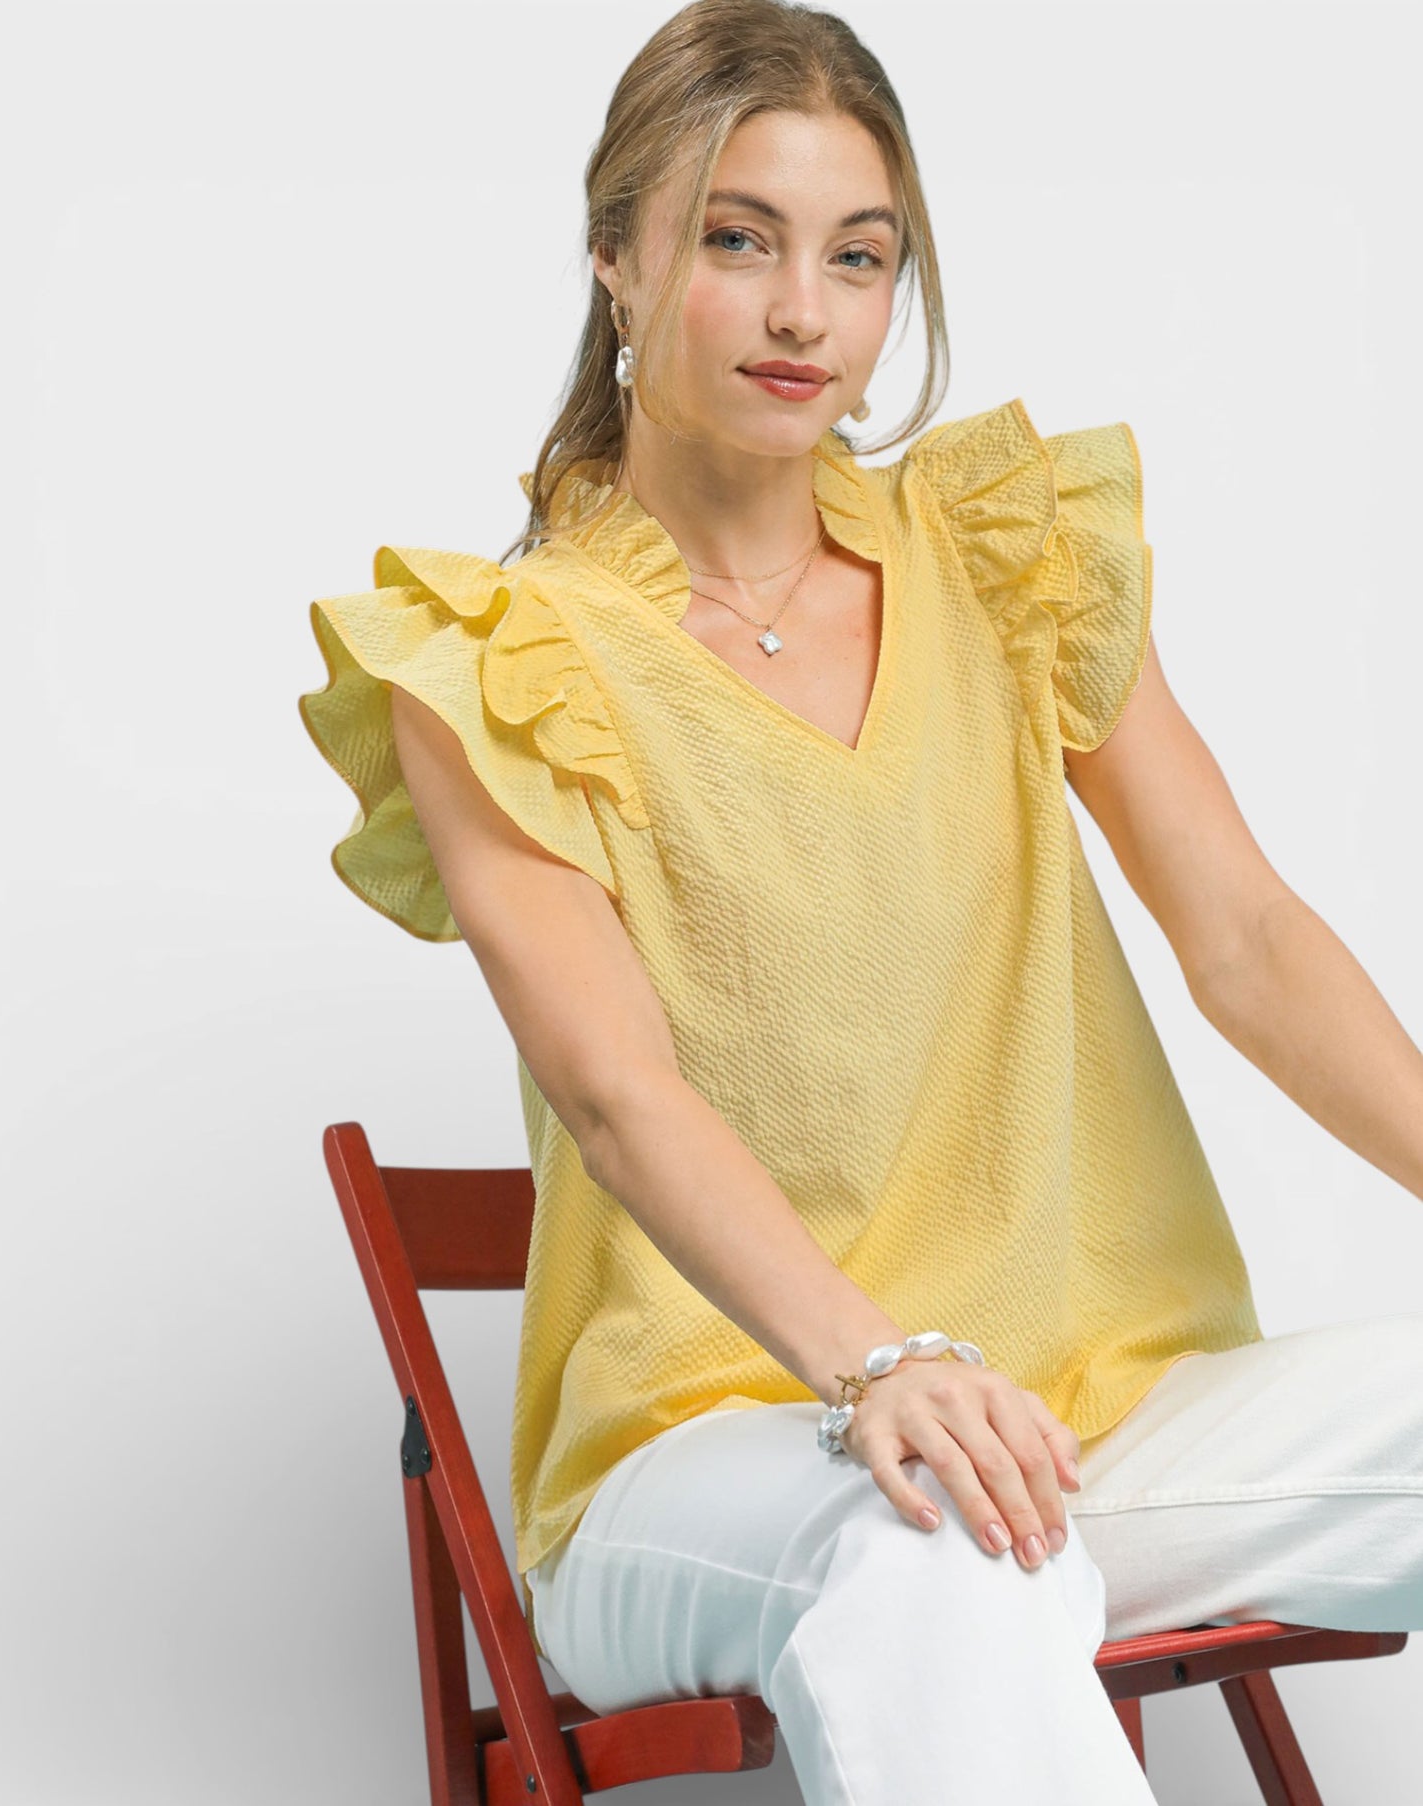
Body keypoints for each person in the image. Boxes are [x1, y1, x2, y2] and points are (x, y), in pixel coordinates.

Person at [297, 2, 1423, 1799]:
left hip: (1087, 1431)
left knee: (984, 1528)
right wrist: (875, 1359)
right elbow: (617, 1089)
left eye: (859, 255)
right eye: (737, 240)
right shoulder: (501, 658)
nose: (803, 310)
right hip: (723, 1456)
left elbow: (1250, 938)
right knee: (932, 1544)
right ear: (617, 257)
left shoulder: (997, 554)